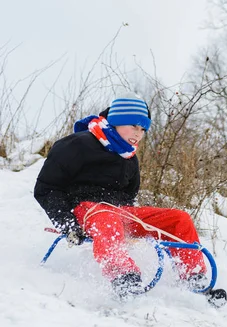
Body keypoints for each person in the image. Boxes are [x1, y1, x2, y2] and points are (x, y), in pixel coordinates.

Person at [34, 93, 212, 298]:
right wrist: (67, 223)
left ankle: (194, 277)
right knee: (107, 218)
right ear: (117, 121)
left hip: (120, 213)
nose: (139, 134)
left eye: (143, 129)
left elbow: (129, 195)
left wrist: (126, 224)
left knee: (179, 218)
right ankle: (123, 276)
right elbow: (46, 188)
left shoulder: (128, 156)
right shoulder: (76, 145)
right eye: (134, 126)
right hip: (85, 209)